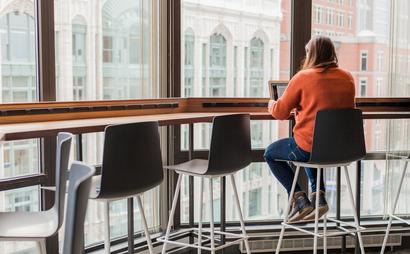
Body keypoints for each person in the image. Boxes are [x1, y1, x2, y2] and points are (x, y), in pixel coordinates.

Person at [264, 36, 355, 223]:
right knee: (314, 145)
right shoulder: (348, 78)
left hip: (311, 149)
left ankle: (299, 199)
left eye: (307, 52)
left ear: (311, 54)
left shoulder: (303, 78)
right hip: (342, 149)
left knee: (271, 153)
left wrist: (271, 104)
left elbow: (280, 113)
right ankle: (319, 197)